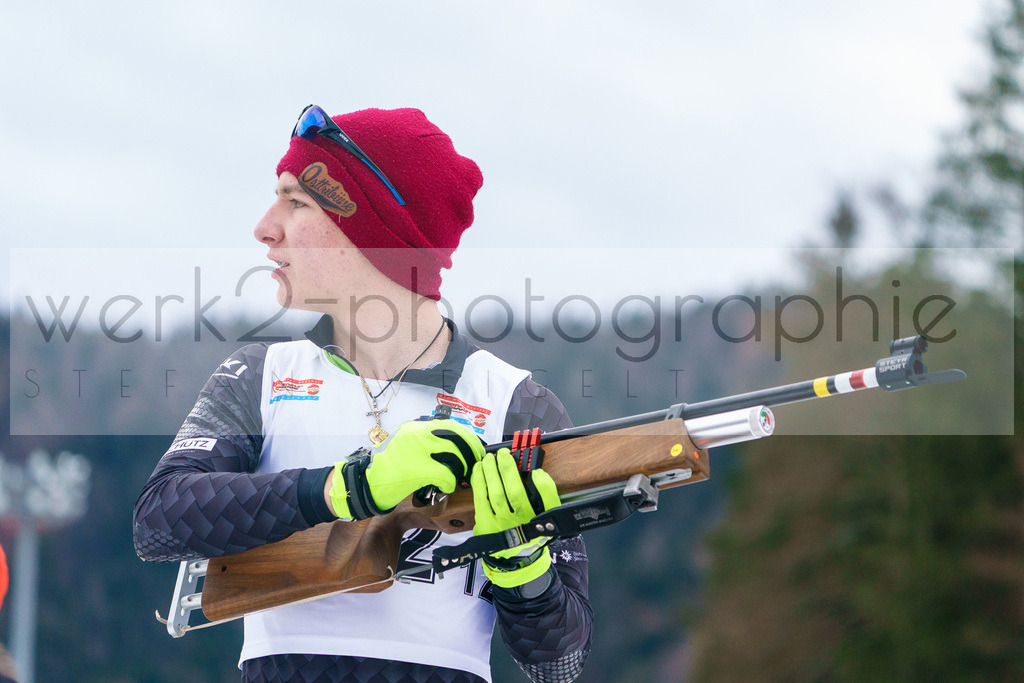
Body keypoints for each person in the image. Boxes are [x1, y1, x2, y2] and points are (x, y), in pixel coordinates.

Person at [133, 105, 592, 682]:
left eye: (296, 201)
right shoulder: (260, 376)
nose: (265, 226)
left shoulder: (514, 403)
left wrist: (523, 565)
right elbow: (158, 521)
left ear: (376, 234)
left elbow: (561, 665)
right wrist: (346, 488)